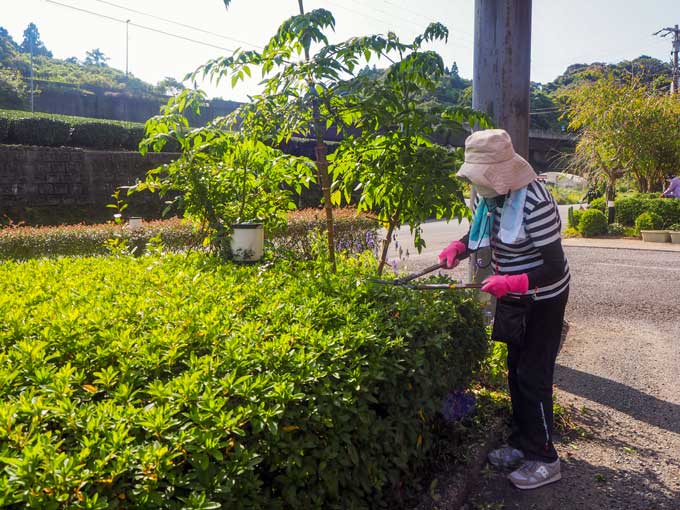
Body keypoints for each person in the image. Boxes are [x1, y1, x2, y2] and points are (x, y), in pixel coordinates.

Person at [438, 129, 570, 490]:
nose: (477, 186)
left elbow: (553, 266)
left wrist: (513, 283)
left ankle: (545, 457)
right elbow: (483, 232)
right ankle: (522, 442)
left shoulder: (535, 201)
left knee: (533, 375)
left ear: (501, 174)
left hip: (543, 298)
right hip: (514, 293)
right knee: (515, 369)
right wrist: (459, 247)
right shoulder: (493, 197)